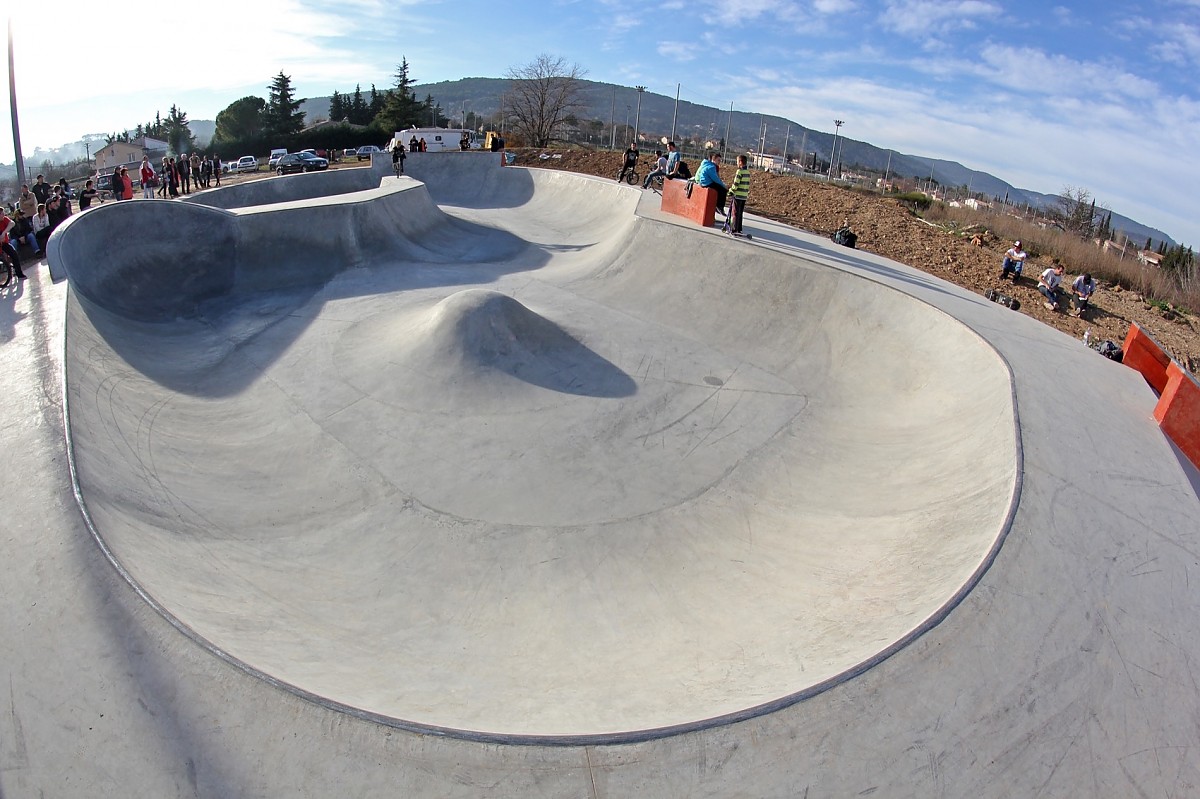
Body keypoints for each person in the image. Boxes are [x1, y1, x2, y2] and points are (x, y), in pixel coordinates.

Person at [0, 211, 29, 280]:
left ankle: (19, 274)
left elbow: (12, 223)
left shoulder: (4, 219)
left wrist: (4, 233)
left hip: (4, 243)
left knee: (14, 254)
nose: (3, 215)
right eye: (1, 214)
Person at [729, 154, 751, 234]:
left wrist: (731, 191)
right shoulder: (747, 172)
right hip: (744, 196)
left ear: (741, 162)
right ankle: (739, 228)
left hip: (738, 195)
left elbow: (736, 184)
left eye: (737, 162)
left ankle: (734, 228)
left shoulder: (739, 171)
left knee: (735, 212)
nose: (737, 163)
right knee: (740, 213)